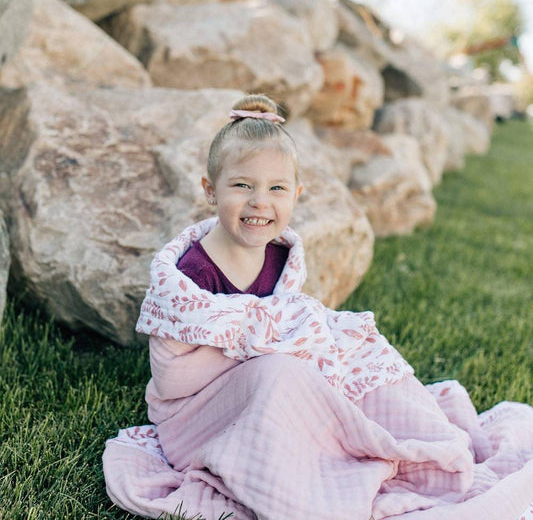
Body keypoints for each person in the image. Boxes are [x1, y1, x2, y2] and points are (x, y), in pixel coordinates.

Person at [103, 94, 533, 520]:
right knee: (282, 372)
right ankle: (301, 491)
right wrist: (264, 342)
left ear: (296, 194)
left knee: (355, 346)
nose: (260, 201)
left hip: (264, 391)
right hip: (196, 417)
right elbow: (173, 376)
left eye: (276, 188)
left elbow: (286, 327)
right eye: (241, 185)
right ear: (210, 190)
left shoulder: (279, 259)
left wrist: (304, 340)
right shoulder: (194, 272)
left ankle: (404, 449)